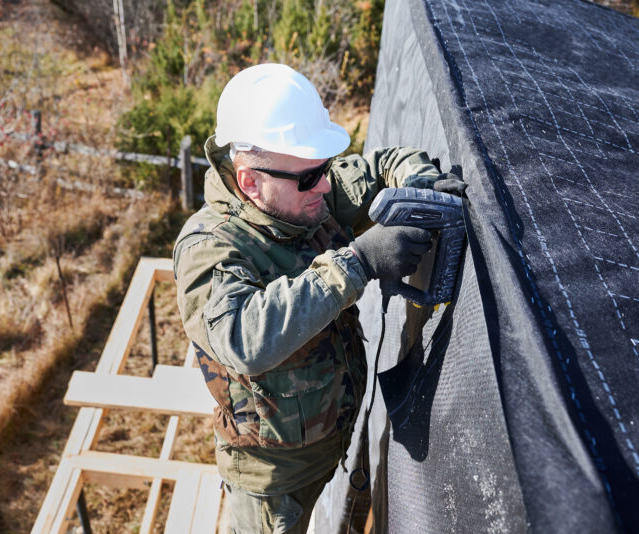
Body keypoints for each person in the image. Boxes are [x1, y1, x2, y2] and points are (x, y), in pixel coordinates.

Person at [173, 63, 460, 533]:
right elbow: (243, 338)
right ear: (249, 181)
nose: (325, 185)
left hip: (327, 444)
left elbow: (383, 164)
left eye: (324, 168)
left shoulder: (300, 190)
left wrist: (421, 187)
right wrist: (358, 262)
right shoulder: (210, 248)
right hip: (273, 485)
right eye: (309, 177)